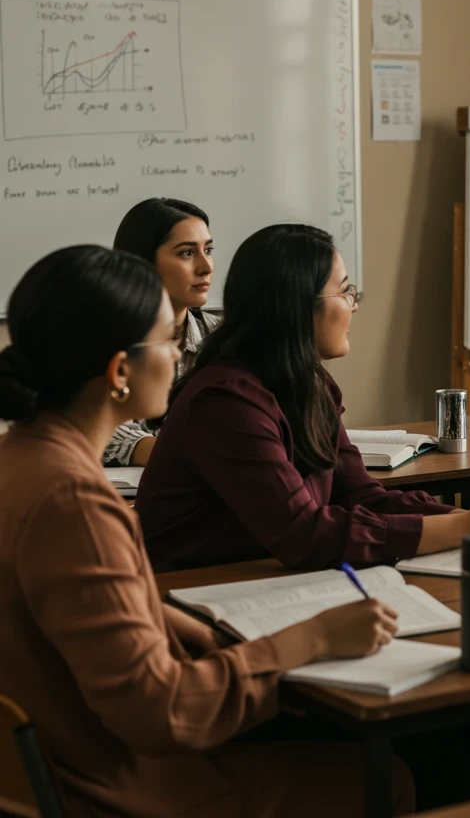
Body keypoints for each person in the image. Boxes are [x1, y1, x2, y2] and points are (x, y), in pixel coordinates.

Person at [0, 244, 415, 816]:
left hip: (44, 765)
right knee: (387, 773)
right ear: (120, 371)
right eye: (171, 340)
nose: (178, 357)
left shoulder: (17, 459)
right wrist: (312, 639)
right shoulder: (76, 502)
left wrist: (163, 616)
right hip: (115, 788)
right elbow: (163, 712)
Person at [136, 223, 470, 572]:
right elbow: (304, 534)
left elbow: (359, 496)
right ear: (298, 307)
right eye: (346, 292)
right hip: (195, 589)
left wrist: (466, 517)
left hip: (264, 575)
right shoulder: (225, 401)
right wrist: (462, 528)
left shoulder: (311, 384)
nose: (354, 306)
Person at [103, 197, 217, 467]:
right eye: (187, 253)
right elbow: (91, 426)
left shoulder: (222, 336)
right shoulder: (103, 336)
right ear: (143, 262)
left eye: (208, 250)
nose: (206, 266)